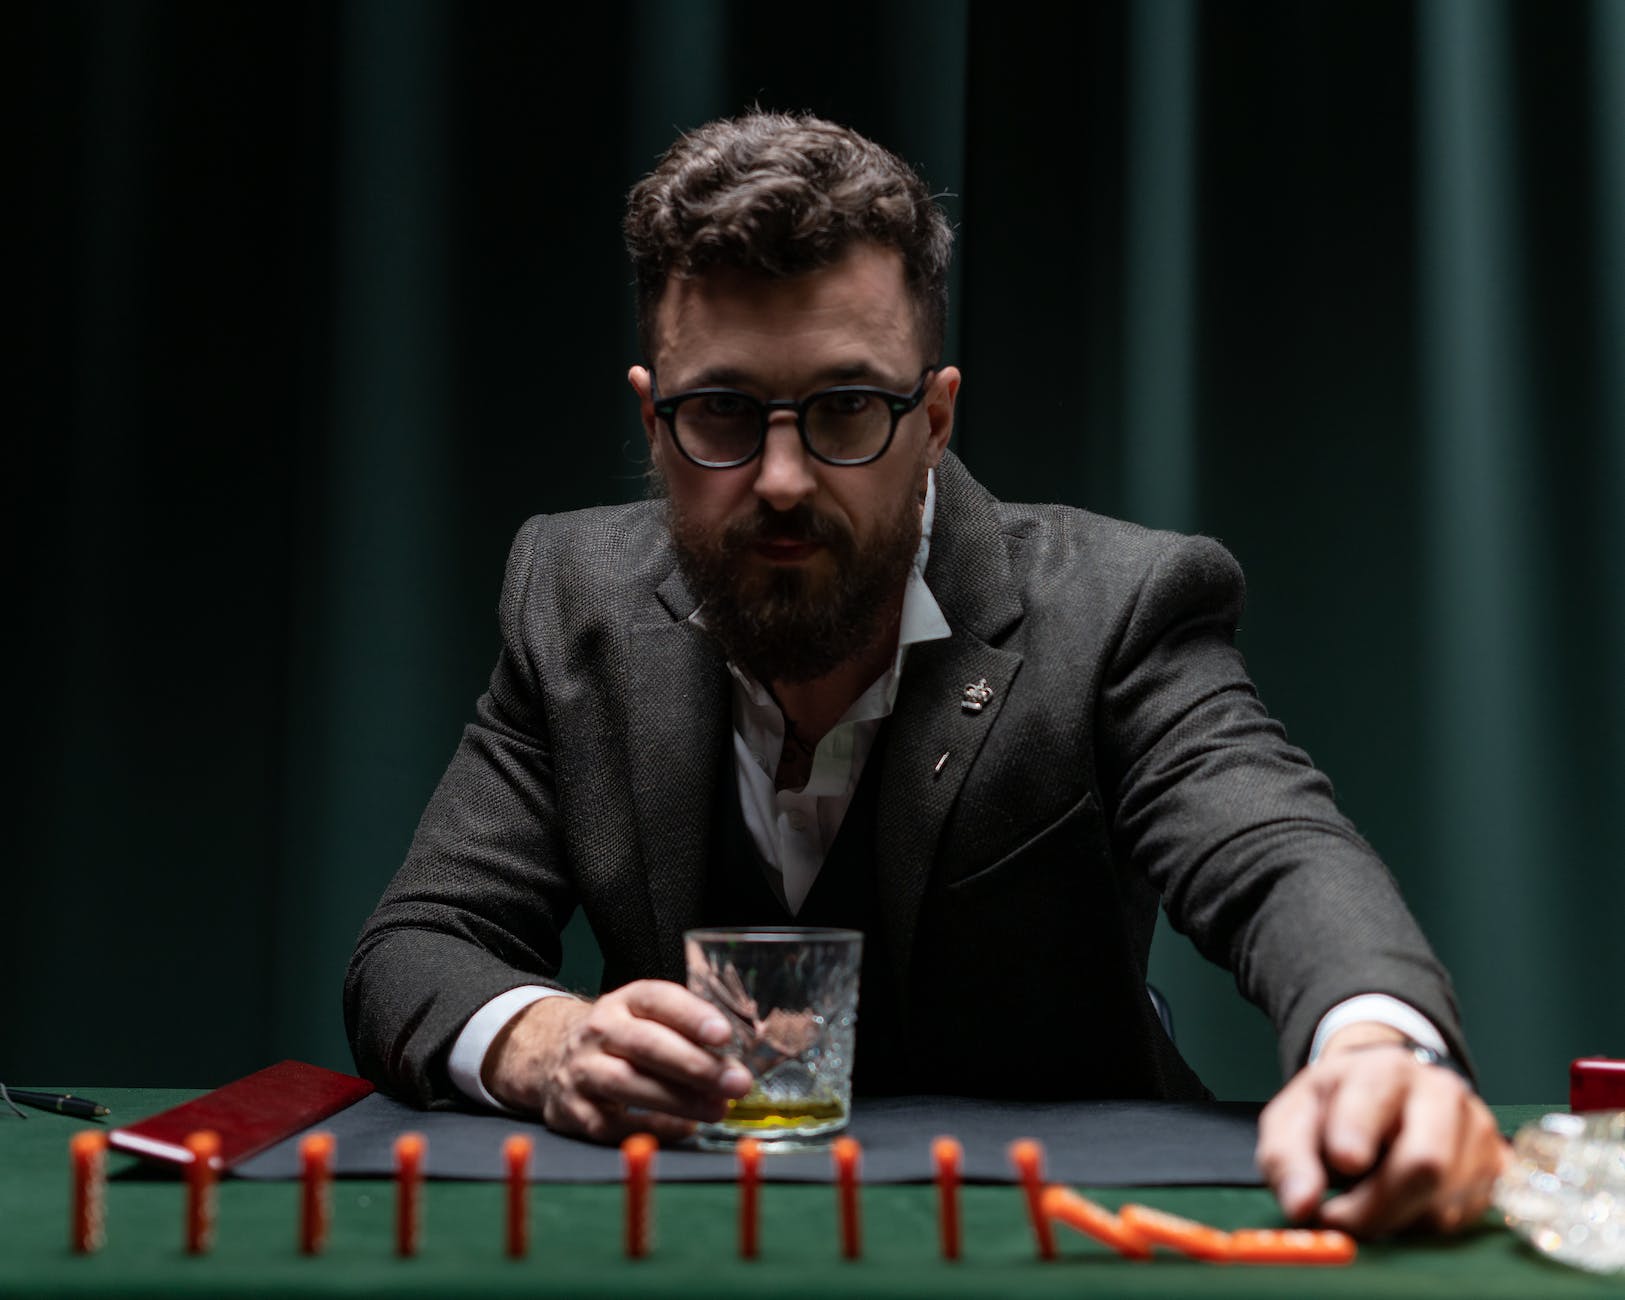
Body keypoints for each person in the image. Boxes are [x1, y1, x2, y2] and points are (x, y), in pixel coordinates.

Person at [345, 110, 1504, 1236]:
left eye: (848, 407)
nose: (785, 477)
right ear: (654, 423)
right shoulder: (570, 596)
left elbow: (1276, 855)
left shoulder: (1117, 605)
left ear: (936, 417)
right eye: (723, 412)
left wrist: (1376, 1047)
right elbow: (417, 944)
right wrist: (544, 1041)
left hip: (1063, 1249)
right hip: (693, 1247)